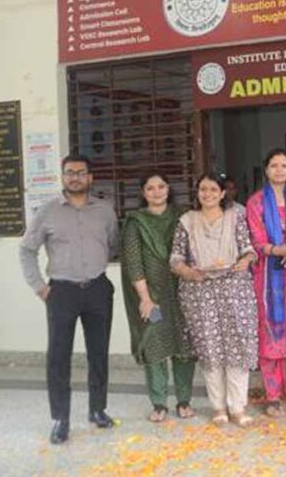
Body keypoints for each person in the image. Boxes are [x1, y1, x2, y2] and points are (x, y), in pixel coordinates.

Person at [19, 154, 120, 444]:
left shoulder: (105, 211)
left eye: (80, 172)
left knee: (98, 353)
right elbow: (27, 249)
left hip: (98, 289)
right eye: (69, 172)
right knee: (58, 356)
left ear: (90, 177)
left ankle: (97, 409)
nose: (75, 177)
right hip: (61, 292)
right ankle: (60, 418)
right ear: (63, 177)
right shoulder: (47, 211)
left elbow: (113, 243)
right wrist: (40, 287)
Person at [169, 173, 259, 427]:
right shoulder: (187, 221)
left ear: (222, 193)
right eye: (203, 189)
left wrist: (245, 260)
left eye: (212, 189)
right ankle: (218, 407)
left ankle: (238, 407)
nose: (207, 194)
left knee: (237, 346)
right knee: (210, 348)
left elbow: (248, 249)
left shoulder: (235, 217)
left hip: (234, 289)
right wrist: (188, 272)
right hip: (199, 291)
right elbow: (175, 258)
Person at [120, 172, 196, 423]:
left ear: (168, 189)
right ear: (143, 193)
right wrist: (145, 298)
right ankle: (159, 402)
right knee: (154, 345)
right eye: (150, 188)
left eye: (161, 186)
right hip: (151, 295)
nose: (156, 192)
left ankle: (184, 400)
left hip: (182, 292)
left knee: (183, 345)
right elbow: (134, 262)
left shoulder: (182, 217)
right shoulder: (136, 222)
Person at [246, 149, 286, 417]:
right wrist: (283, 250)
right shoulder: (256, 202)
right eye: (274, 165)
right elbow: (257, 242)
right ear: (266, 170)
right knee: (271, 331)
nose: (279, 170)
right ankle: (272, 394)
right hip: (268, 277)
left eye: (284, 165)